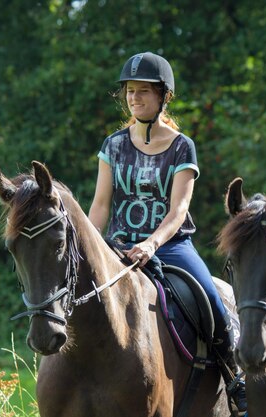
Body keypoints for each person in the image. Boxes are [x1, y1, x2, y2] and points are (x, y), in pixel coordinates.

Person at [88, 51, 247, 416]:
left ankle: (235, 379)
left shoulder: (181, 146)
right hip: (118, 245)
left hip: (171, 246)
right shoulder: (112, 145)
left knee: (213, 301)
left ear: (163, 96)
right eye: (130, 91)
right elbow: (99, 205)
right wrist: (92, 245)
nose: (134, 98)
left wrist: (151, 243)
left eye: (143, 91)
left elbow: (178, 211)